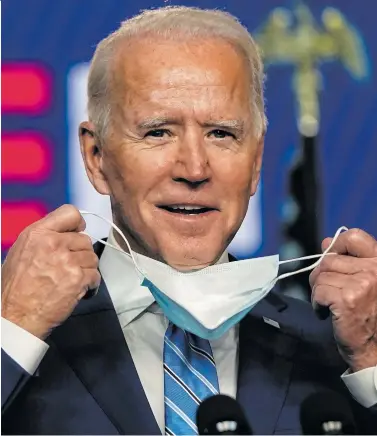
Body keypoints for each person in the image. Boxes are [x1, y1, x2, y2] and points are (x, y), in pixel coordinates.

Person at [1, 6, 377, 435]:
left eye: (222, 133)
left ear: (255, 162)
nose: (195, 169)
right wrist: (14, 330)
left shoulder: (335, 345)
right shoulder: (18, 324)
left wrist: (371, 360)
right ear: (97, 158)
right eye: (158, 132)